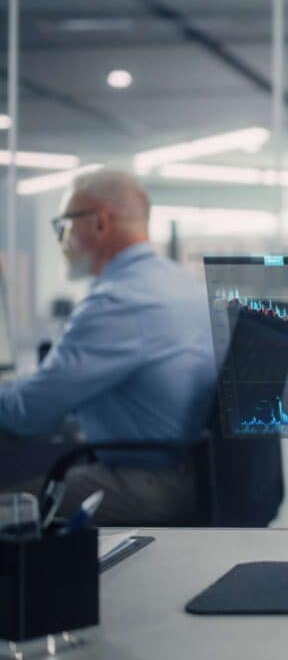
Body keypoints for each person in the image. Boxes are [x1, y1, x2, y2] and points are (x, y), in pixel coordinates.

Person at [0, 169, 216, 524]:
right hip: (196, 473)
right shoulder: (181, 283)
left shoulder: (117, 302)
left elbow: (29, 412)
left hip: (148, 484)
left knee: (11, 503)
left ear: (99, 223)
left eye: (64, 226)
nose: (61, 240)